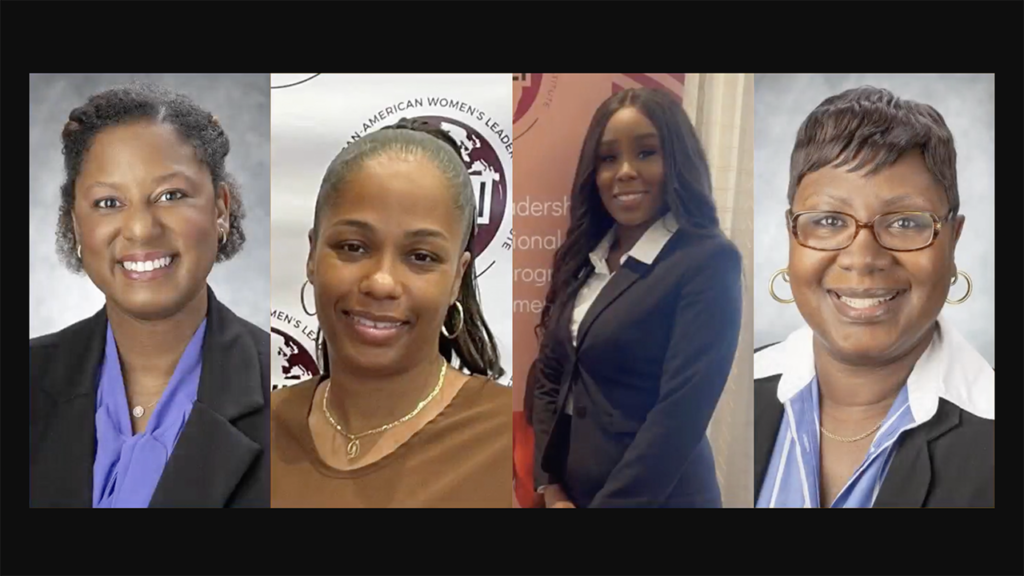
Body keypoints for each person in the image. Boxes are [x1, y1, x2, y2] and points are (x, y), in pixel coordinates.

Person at [29, 82, 270, 508]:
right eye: (107, 202)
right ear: (75, 225)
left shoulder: (291, 398)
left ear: (220, 209)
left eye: (170, 196)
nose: (140, 228)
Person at [754, 86, 994, 508]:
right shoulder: (722, 389)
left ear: (953, 242)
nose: (863, 259)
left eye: (904, 221)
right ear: (792, 233)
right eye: (828, 220)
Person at [270, 118, 512, 508]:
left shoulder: (515, 440)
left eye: (421, 256)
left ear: (457, 277)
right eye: (352, 246)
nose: (381, 282)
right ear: (312, 256)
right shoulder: (252, 433)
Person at [531, 88, 743, 508]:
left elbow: (680, 413)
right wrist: (549, 485)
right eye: (608, 158)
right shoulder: (583, 258)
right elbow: (551, 375)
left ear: (677, 161)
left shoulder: (707, 260)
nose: (624, 172)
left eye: (646, 153)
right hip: (571, 496)